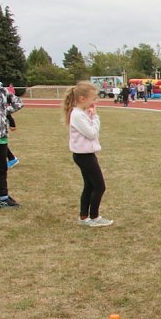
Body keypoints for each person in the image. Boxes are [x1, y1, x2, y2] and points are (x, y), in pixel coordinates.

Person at [63, 82, 113, 227]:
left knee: (89, 186)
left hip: (85, 154)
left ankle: (84, 217)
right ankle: (94, 217)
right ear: (83, 99)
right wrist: (96, 118)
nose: (95, 102)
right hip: (84, 156)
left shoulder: (81, 113)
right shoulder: (77, 115)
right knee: (99, 186)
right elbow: (91, 133)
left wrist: (91, 116)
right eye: (93, 99)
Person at [0, 59, 24, 209]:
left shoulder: (3, 91)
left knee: (1, 169)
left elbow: (19, 103)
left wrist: (4, 112)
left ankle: (4, 197)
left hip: (1, 138)